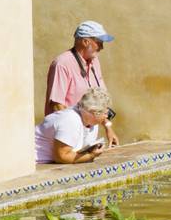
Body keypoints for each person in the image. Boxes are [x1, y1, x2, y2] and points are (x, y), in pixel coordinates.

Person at [44, 20, 119, 148]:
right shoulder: (62, 64)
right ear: (86, 42)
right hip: (67, 133)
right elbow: (57, 106)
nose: (102, 47)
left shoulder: (95, 62)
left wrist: (108, 126)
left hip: (88, 130)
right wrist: (73, 132)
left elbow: (100, 101)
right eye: (99, 43)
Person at [35, 88, 112, 164]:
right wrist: (91, 156)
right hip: (33, 162)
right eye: (105, 113)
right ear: (93, 113)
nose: (106, 117)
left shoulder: (90, 122)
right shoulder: (70, 119)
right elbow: (61, 157)